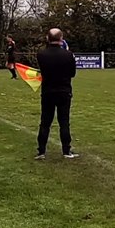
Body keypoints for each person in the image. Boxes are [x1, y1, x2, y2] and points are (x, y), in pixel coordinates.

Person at [36, 28, 78, 160]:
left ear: (47, 38)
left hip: (48, 91)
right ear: (61, 39)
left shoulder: (41, 54)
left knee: (45, 122)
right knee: (64, 122)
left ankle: (41, 151)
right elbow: (72, 73)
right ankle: (66, 150)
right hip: (64, 91)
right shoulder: (68, 54)